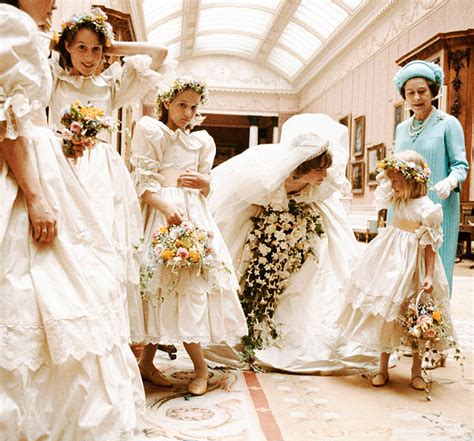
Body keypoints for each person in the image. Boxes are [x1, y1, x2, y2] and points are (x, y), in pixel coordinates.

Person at [0, 1, 144, 441]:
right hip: (28, 173)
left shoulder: (27, 31)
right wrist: (36, 196)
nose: (56, 2)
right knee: (45, 294)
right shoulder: (13, 25)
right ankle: (47, 429)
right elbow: (9, 125)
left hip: (50, 166)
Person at [204, 114, 364, 374]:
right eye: (319, 169)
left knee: (315, 276)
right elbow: (246, 199)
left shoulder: (321, 187)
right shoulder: (266, 179)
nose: (325, 174)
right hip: (260, 224)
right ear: (302, 167)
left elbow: (315, 195)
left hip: (304, 227)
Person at [48, 8, 168, 332]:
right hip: (61, 162)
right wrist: (62, 42)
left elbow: (159, 54)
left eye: (96, 49)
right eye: (81, 47)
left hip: (101, 172)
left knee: (100, 245)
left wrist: (111, 45)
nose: (89, 56)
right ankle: (66, 320)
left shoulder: (110, 84)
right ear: (67, 48)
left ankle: (99, 326)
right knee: (65, 244)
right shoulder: (53, 78)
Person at [130, 77, 248, 396]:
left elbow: (207, 187)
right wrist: (166, 207)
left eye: (194, 107)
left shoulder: (201, 141)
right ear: (168, 103)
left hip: (193, 215)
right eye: (182, 104)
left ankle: (200, 369)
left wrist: (203, 184)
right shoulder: (152, 133)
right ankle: (147, 363)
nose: (188, 112)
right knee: (160, 286)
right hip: (163, 213)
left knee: (190, 285)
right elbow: (142, 185)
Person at [332, 151, 454, 390]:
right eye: (392, 180)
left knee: (417, 317)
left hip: (414, 265)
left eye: (397, 181)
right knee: (387, 314)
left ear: (411, 181)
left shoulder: (427, 208)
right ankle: (382, 368)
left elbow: (430, 244)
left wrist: (429, 274)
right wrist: (391, 172)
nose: (392, 185)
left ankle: (417, 371)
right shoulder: (397, 200)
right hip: (389, 261)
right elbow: (382, 184)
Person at [393, 60, 469, 294]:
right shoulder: (401, 128)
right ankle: (406, 326)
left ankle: (434, 323)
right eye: (410, 93)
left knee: (436, 270)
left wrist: (450, 181)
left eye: (422, 91)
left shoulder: (448, 123)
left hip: (438, 206)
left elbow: (460, 165)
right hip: (404, 208)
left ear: (434, 92)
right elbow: (395, 168)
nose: (416, 98)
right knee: (402, 270)